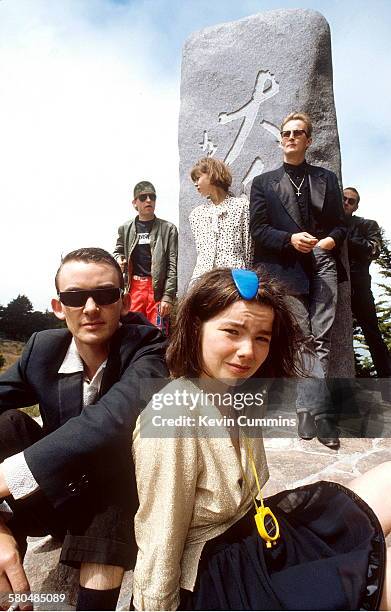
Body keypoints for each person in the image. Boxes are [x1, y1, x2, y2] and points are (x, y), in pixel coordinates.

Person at [131, 268, 389, 611]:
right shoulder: (171, 417)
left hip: (259, 535)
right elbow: (158, 536)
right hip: (219, 578)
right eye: (231, 332)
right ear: (195, 329)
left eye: (261, 338)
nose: (247, 351)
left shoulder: (235, 394)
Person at [0, 248, 167, 611]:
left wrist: (8, 476)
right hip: (54, 499)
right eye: (75, 297)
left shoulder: (150, 348)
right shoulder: (42, 348)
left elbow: (112, 421)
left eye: (105, 295)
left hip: (114, 506)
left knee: (113, 470)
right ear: (59, 307)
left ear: (123, 303)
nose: (90, 308)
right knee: (7, 424)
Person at [250, 111, 347, 448]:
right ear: (281, 139)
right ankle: (320, 413)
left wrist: (332, 239)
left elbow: (340, 223)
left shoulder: (326, 178)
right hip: (285, 266)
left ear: (309, 139)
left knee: (321, 339)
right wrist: (289, 240)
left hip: (322, 263)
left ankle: (306, 409)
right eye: (286, 133)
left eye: (297, 133)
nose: (290, 137)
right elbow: (258, 231)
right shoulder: (264, 183)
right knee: (303, 339)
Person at [113, 180, 178, 330]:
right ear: (134, 202)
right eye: (143, 197)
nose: (148, 200)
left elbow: (172, 265)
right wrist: (119, 260)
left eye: (152, 197)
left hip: (157, 290)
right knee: (133, 332)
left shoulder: (168, 229)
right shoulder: (125, 228)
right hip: (134, 288)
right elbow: (118, 251)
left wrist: (168, 296)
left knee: (159, 333)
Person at [343, 186, 391, 378]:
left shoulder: (367, 225)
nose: (346, 203)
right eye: (343, 198)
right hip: (333, 287)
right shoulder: (327, 224)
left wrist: (344, 237)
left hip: (359, 288)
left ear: (356, 207)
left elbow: (374, 250)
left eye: (351, 201)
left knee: (372, 335)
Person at [189, 158, 253, 283]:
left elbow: (249, 249)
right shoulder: (196, 215)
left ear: (212, 175)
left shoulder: (241, 206)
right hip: (203, 278)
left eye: (198, 178)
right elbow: (201, 252)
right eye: (194, 180)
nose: (195, 184)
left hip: (234, 277)